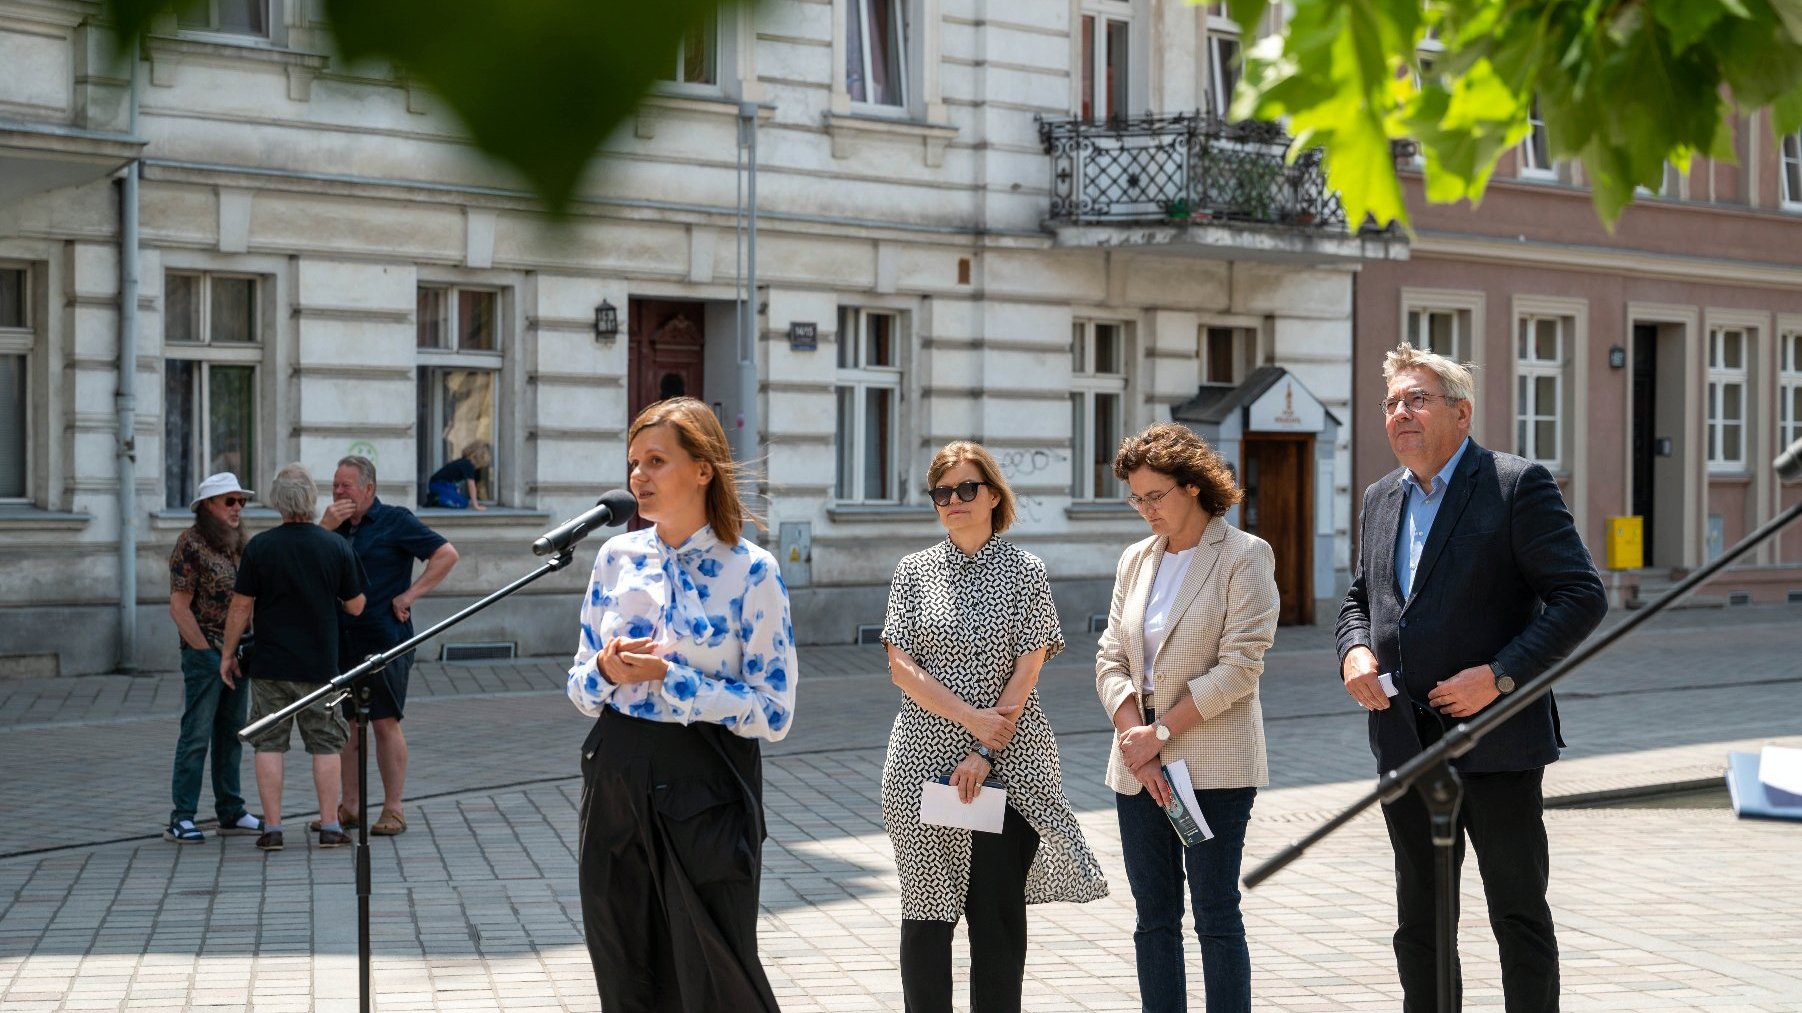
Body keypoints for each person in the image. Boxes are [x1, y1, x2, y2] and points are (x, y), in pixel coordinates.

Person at [1337, 344, 1607, 1012]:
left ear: (1461, 412)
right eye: (1393, 401)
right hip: (1406, 743)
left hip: (1497, 741)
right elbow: (1358, 600)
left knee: (1517, 913)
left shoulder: (1515, 484)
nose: (1401, 412)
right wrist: (1353, 650)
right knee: (1421, 923)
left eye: (1417, 399)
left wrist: (1501, 676)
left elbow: (1582, 595)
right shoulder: (1378, 498)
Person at [566, 396, 797, 1013]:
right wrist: (605, 670)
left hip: (706, 781)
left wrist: (674, 678)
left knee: (714, 972)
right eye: (633, 461)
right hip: (616, 770)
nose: (638, 476)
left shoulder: (752, 570)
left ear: (703, 469)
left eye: (656, 460)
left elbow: (774, 713)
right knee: (624, 965)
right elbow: (578, 686)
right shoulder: (615, 558)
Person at [881, 440, 1108, 1013]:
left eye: (966, 489)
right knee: (926, 913)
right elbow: (901, 668)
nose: (953, 501)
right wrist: (967, 718)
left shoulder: (1025, 570)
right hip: (922, 766)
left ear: (993, 495)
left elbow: (1029, 665)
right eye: (942, 493)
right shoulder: (913, 571)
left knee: (996, 919)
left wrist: (983, 745)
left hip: (1010, 762)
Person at [1093, 423, 1279, 1013]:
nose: (1145, 509)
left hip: (1213, 765)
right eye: (1136, 498)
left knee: (1216, 914)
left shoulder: (1244, 556)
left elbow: (1240, 666)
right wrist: (1134, 738)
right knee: (1154, 920)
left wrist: (1161, 733)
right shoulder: (1135, 559)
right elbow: (1111, 657)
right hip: (1137, 764)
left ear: (1193, 487)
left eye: (1155, 496)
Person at [221, 463, 368, 852]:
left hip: (270, 665)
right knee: (325, 744)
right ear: (311, 499)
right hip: (320, 665)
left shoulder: (260, 547)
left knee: (268, 743)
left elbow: (240, 606)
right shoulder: (336, 546)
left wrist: (227, 654)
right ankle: (331, 826)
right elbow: (356, 607)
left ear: (277, 503)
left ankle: (272, 829)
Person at [317, 455, 459, 836]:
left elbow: (446, 554)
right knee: (348, 724)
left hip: (385, 640)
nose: (339, 493)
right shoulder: (335, 526)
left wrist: (409, 596)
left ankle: (393, 808)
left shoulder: (395, 520)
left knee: (383, 722)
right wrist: (325, 529)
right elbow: (313, 565)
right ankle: (349, 806)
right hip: (342, 640)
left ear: (368, 488)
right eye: (334, 486)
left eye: (346, 485)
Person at [164, 472, 265, 844]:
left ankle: (231, 810)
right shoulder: (190, 544)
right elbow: (179, 608)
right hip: (205, 653)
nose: (238, 508)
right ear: (208, 505)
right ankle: (182, 816)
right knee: (196, 735)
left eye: (242, 501)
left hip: (238, 653)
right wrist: (207, 653)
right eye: (230, 501)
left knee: (231, 733)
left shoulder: (240, 544)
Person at [425, 440, 490, 510]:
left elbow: (453, 479)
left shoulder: (464, 462)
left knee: (463, 500)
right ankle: (436, 499)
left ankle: (439, 497)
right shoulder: (468, 465)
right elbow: (471, 485)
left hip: (441, 484)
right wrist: (476, 505)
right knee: (462, 503)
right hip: (439, 484)